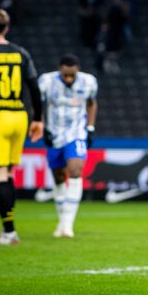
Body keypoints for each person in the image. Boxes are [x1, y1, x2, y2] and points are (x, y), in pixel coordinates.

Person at [0, 8, 44, 245]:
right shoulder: (22, 53)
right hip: (19, 117)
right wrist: (38, 119)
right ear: (6, 28)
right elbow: (34, 88)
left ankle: (10, 232)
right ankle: (8, 230)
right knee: (9, 173)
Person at [38, 54, 98, 238]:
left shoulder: (89, 82)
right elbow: (37, 104)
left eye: (72, 75)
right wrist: (41, 125)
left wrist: (90, 127)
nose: (69, 79)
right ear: (60, 70)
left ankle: (67, 224)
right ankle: (61, 221)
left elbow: (92, 103)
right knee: (58, 177)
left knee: (75, 171)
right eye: (65, 75)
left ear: (77, 70)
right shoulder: (46, 81)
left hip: (76, 133)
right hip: (54, 133)